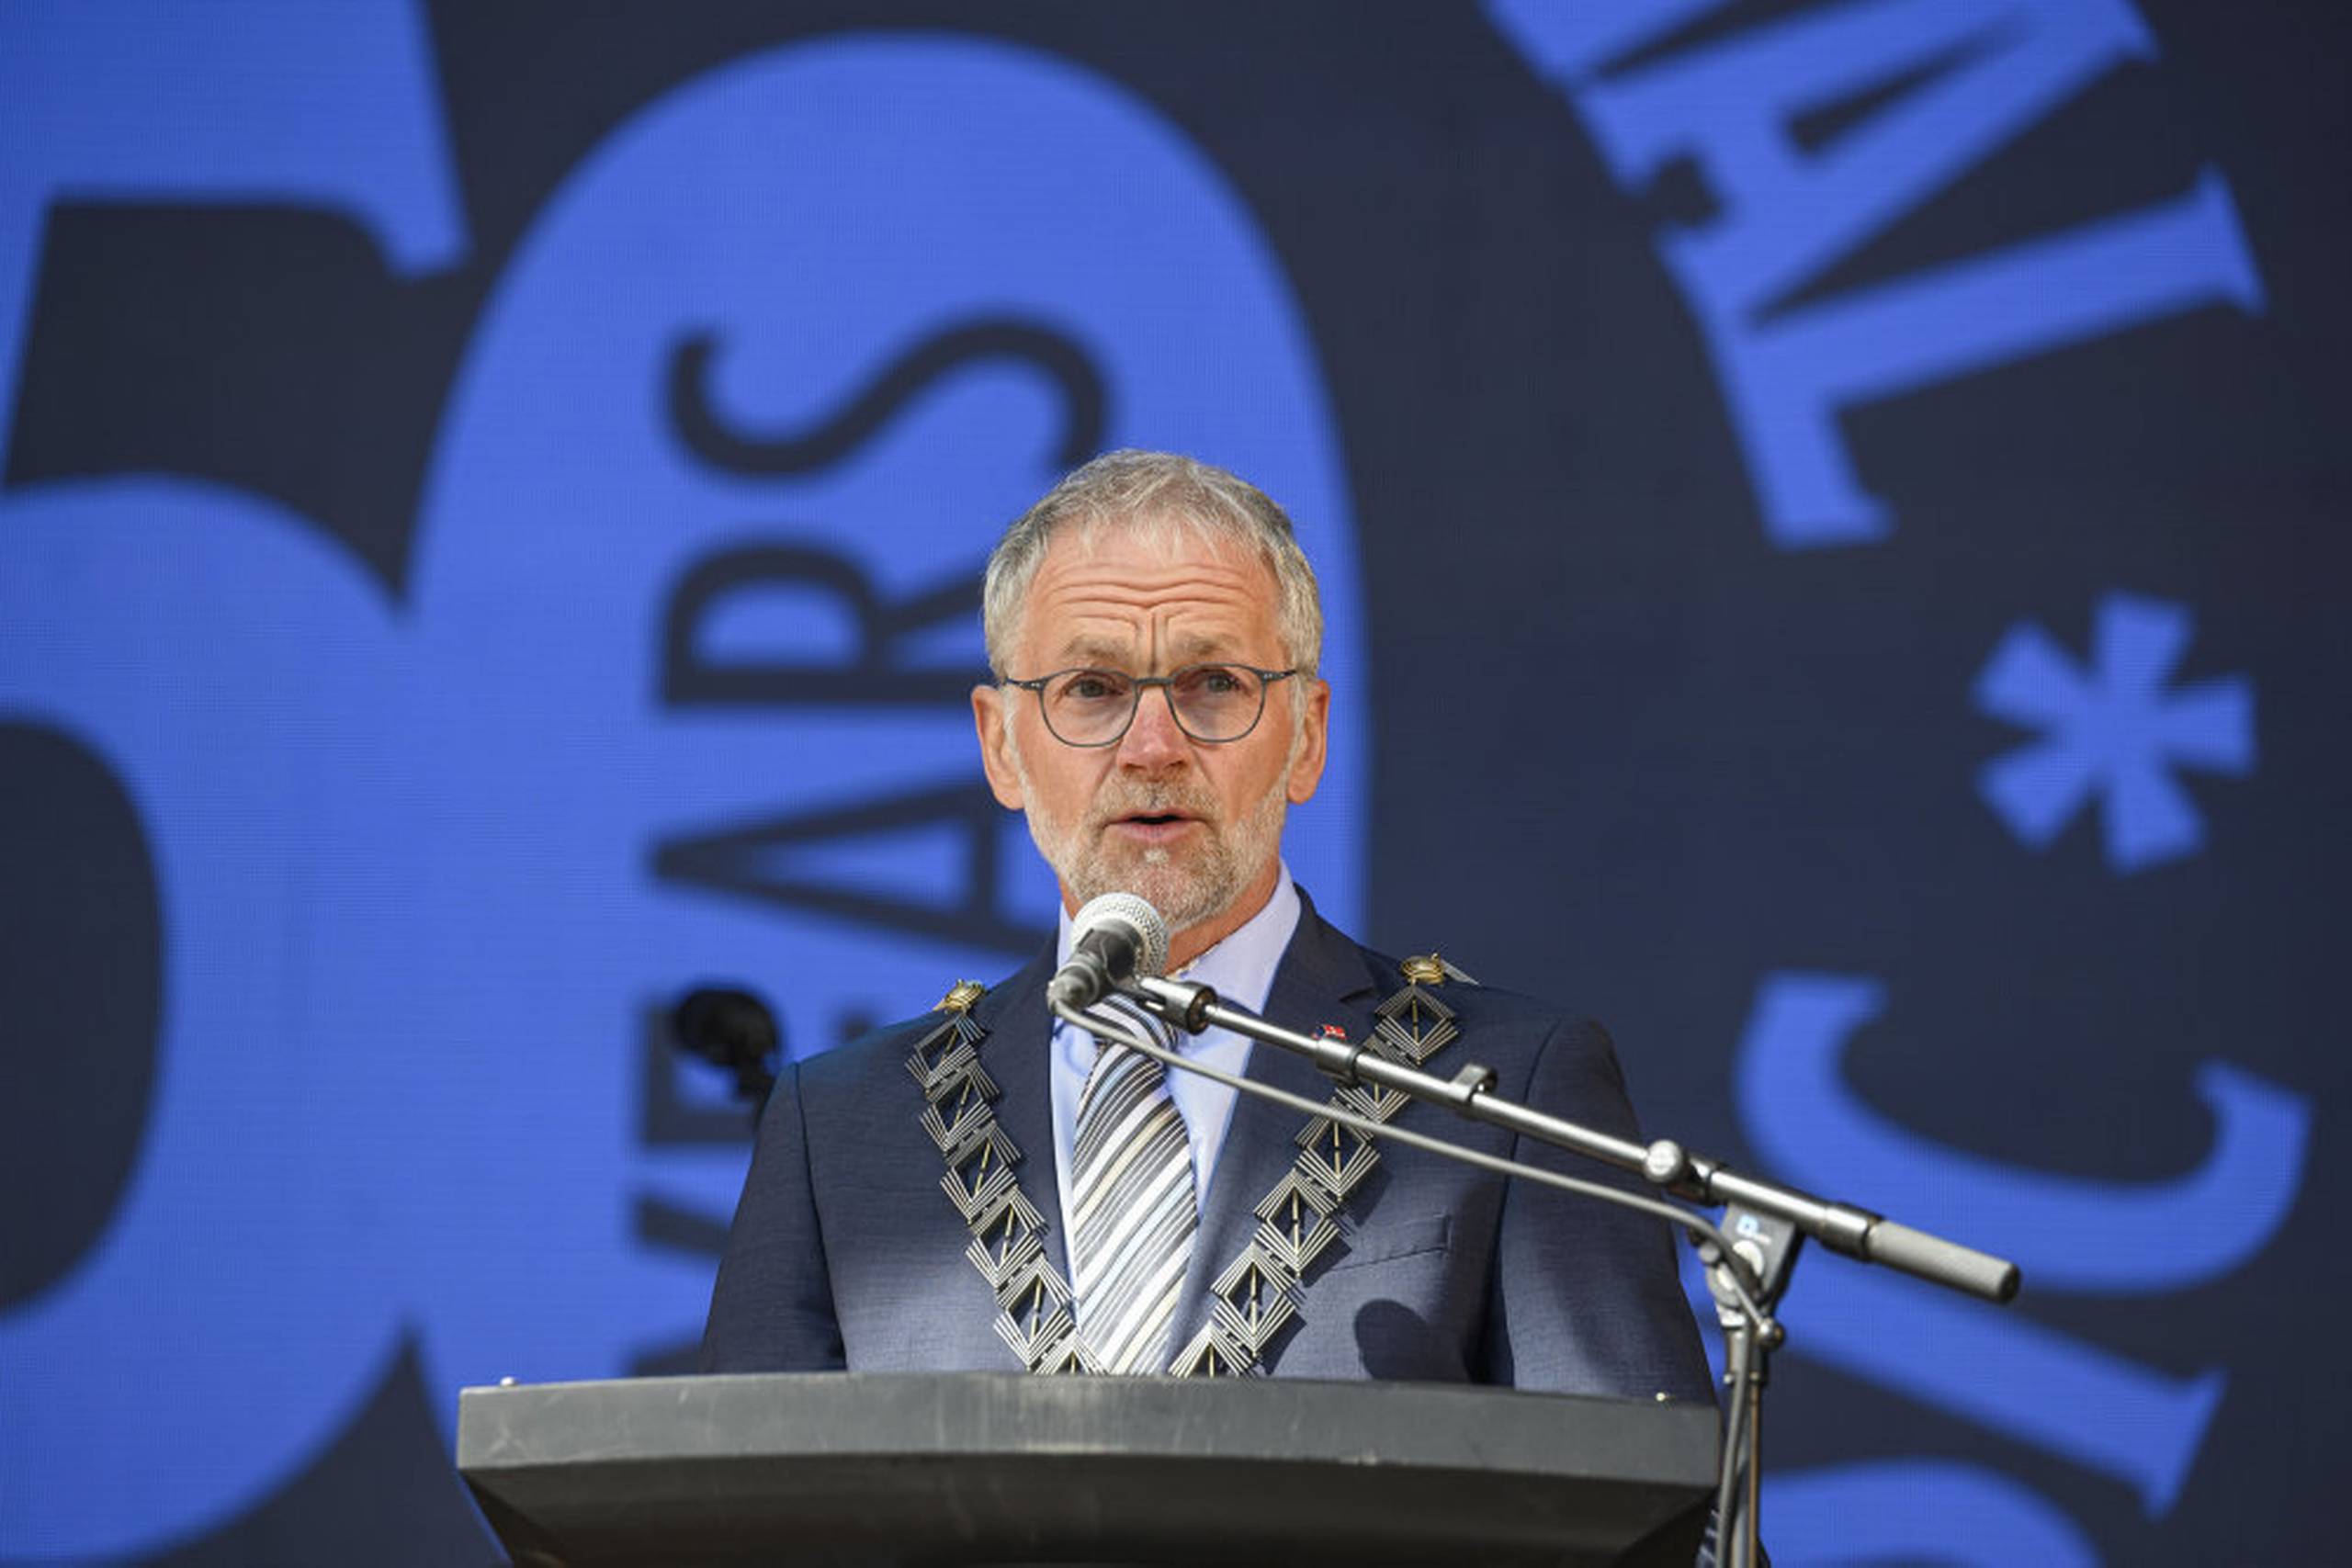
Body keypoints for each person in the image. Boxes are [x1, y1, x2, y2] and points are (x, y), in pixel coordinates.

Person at [702, 449, 1712, 1399]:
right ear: (1001, 747)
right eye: (1091, 689)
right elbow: (743, 1500)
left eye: (1214, 684)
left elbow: (1637, 1501)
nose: (1153, 745)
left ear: (1306, 736)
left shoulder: (1505, 1094)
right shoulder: (838, 1128)